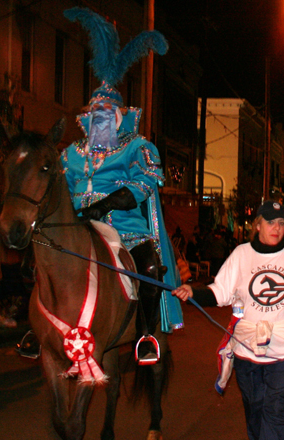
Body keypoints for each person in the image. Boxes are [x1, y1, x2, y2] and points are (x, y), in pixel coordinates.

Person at [172, 201, 284, 440]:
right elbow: (220, 291)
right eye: (271, 222)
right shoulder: (241, 254)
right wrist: (194, 293)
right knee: (255, 408)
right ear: (257, 225)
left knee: (277, 408)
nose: (277, 228)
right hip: (246, 348)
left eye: (281, 223)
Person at [61, 7, 183, 363]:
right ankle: (38, 325)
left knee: (147, 267)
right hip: (80, 226)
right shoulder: (71, 153)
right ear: (87, 119)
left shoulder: (136, 147)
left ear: (118, 117)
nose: (100, 121)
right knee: (45, 260)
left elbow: (147, 182)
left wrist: (110, 202)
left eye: (106, 116)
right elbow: (61, 186)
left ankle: (145, 334)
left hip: (126, 230)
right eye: (94, 116)